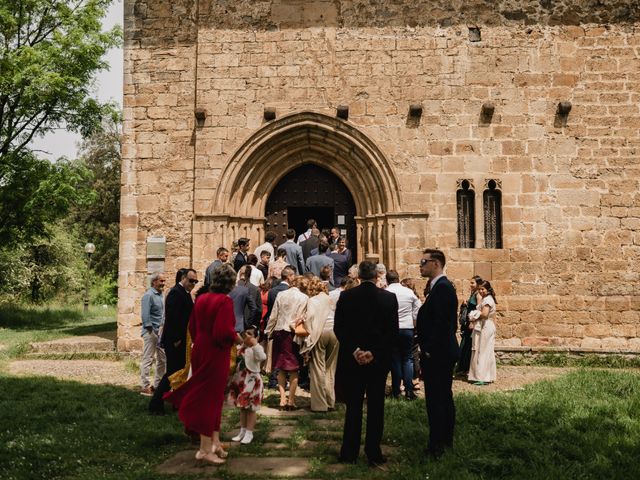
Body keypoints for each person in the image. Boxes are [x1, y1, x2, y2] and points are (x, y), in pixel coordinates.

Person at [163, 265, 238, 466]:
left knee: (212, 396)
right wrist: (238, 339)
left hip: (201, 348)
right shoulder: (225, 301)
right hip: (216, 351)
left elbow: (193, 327)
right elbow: (223, 332)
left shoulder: (202, 298)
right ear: (230, 283)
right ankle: (204, 450)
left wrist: (200, 342)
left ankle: (215, 442)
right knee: (210, 398)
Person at [334, 261, 399, 467]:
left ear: (359, 276)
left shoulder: (346, 296)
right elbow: (392, 331)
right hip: (377, 362)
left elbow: (339, 328)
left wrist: (355, 350)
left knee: (353, 406)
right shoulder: (389, 298)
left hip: (353, 360)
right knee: (376, 405)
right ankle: (373, 452)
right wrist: (374, 352)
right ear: (377, 276)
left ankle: (349, 452)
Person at [416, 249, 459, 459]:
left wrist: (429, 350)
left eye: (423, 262)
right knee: (442, 397)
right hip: (440, 352)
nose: (420, 265)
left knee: (437, 399)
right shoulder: (439, 287)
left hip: (438, 354)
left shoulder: (442, 288)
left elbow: (443, 324)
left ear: (435, 263)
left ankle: (438, 445)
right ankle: (443, 441)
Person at [149, 268, 197, 413]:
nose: (193, 284)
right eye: (190, 280)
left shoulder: (185, 293)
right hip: (175, 341)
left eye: (195, 281)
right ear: (183, 278)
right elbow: (173, 318)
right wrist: (177, 339)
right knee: (171, 373)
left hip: (182, 341)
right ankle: (156, 404)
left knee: (178, 372)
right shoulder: (176, 293)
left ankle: (175, 402)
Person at [265, 275, 309, 410]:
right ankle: (291, 400)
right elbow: (305, 317)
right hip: (293, 333)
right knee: (294, 368)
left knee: (281, 367)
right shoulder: (304, 298)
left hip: (279, 331)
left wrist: (268, 331)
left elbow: (274, 314)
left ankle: (282, 399)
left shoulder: (281, 295)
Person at [300, 277, 338, 412]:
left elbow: (310, 317)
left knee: (317, 368)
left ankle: (319, 405)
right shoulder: (330, 299)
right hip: (334, 332)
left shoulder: (312, 300)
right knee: (330, 369)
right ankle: (330, 401)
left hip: (320, 333)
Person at [385, 270, 421, 400]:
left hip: (392, 329)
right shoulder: (408, 292)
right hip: (407, 328)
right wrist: (413, 321)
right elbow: (418, 308)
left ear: (387, 280)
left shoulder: (386, 292)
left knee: (395, 359)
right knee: (408, 359)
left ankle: (396, 391)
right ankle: (409, 391)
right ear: (398, 278)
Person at [229, 327, 266, 445]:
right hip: (242, 382)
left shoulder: (257, 348)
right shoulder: (242, 348)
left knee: (251, 408)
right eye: (246, 334)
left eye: (251, 334)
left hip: (253, 382)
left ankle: (249, 432)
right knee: (242, 408)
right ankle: (242, 431)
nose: (247, 337)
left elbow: (262, 357)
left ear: (256, 337)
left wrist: (255, 344)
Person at [140, 272, 167, 396]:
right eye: (161, 281)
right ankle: (144, 386)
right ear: (154, 282)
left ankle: (157, 385)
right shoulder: (148, 295)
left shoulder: (162, 295)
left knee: (162, 359)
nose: (163, 283)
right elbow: (145, 315)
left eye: (164, 281)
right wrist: (151, 330)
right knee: (148, 358)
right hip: (151, 332)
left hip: (160, 331)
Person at [468, 280, 497, 385]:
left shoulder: (488, 300)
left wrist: (474, 315)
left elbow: (485, 314)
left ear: (487, 289)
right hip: (483, 325)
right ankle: (485, 375)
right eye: (479, 289)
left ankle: (483, 377)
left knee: (483, 350)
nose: (480, 291)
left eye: (483, 289)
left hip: (486, 326)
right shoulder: (485, 299)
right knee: (483, 349)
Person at [456, 276, 482, 376]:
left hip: (471, 323)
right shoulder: (473, 293)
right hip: (468, 322)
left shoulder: (478, 295)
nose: (470, 285)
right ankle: (463, 367)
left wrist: (473, 322)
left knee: (469, 345)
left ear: (478, 284)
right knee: (465, 344)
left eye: (472, 283)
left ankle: (468, 368)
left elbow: (478, 310)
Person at [229, 268, 259, 333]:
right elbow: (254, 308)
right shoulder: (245, 290)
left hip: (224, 325)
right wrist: (249, 323)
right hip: (239, 325)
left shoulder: (224, 289)